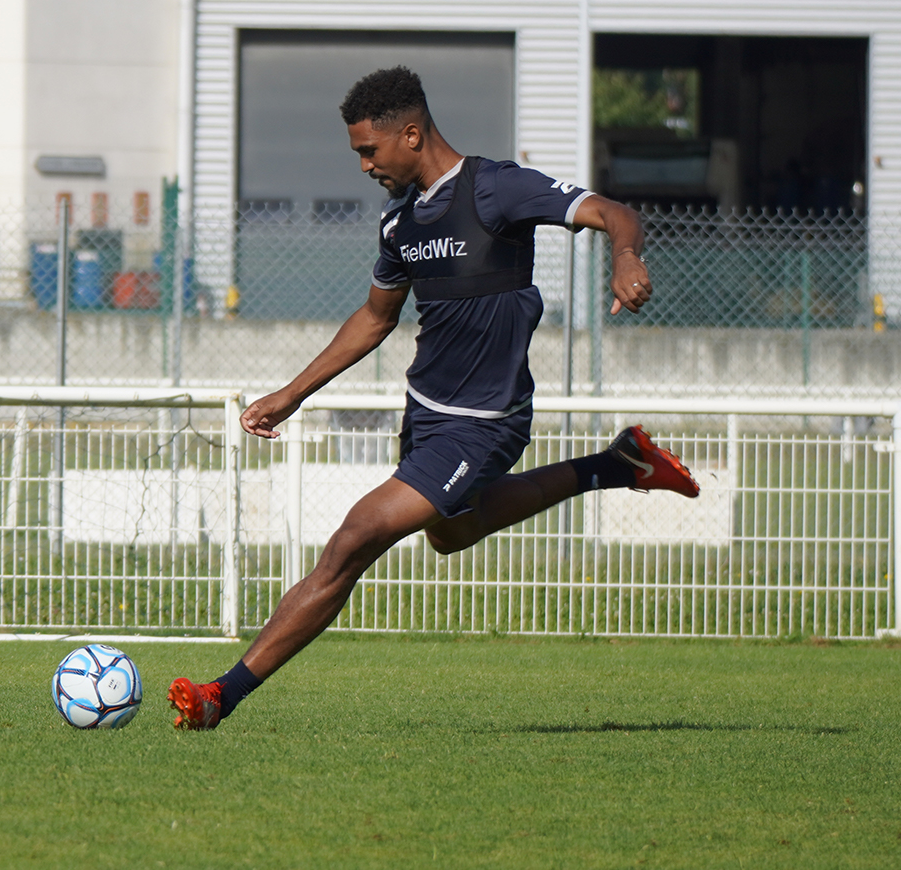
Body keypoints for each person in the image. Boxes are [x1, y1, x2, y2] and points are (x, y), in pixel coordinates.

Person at [168, 66, 698, 730]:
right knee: (452, 533)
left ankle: (223, 694)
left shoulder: (496, 188)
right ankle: (616, 465)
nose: (363, 165)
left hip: (483, 423)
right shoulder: (401, 225)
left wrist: (625, 256)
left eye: (369, 150)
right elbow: (374, 318)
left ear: (411, 134)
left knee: (353, 540)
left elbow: (613, 212)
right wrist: (291, 394)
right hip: (425, 415)